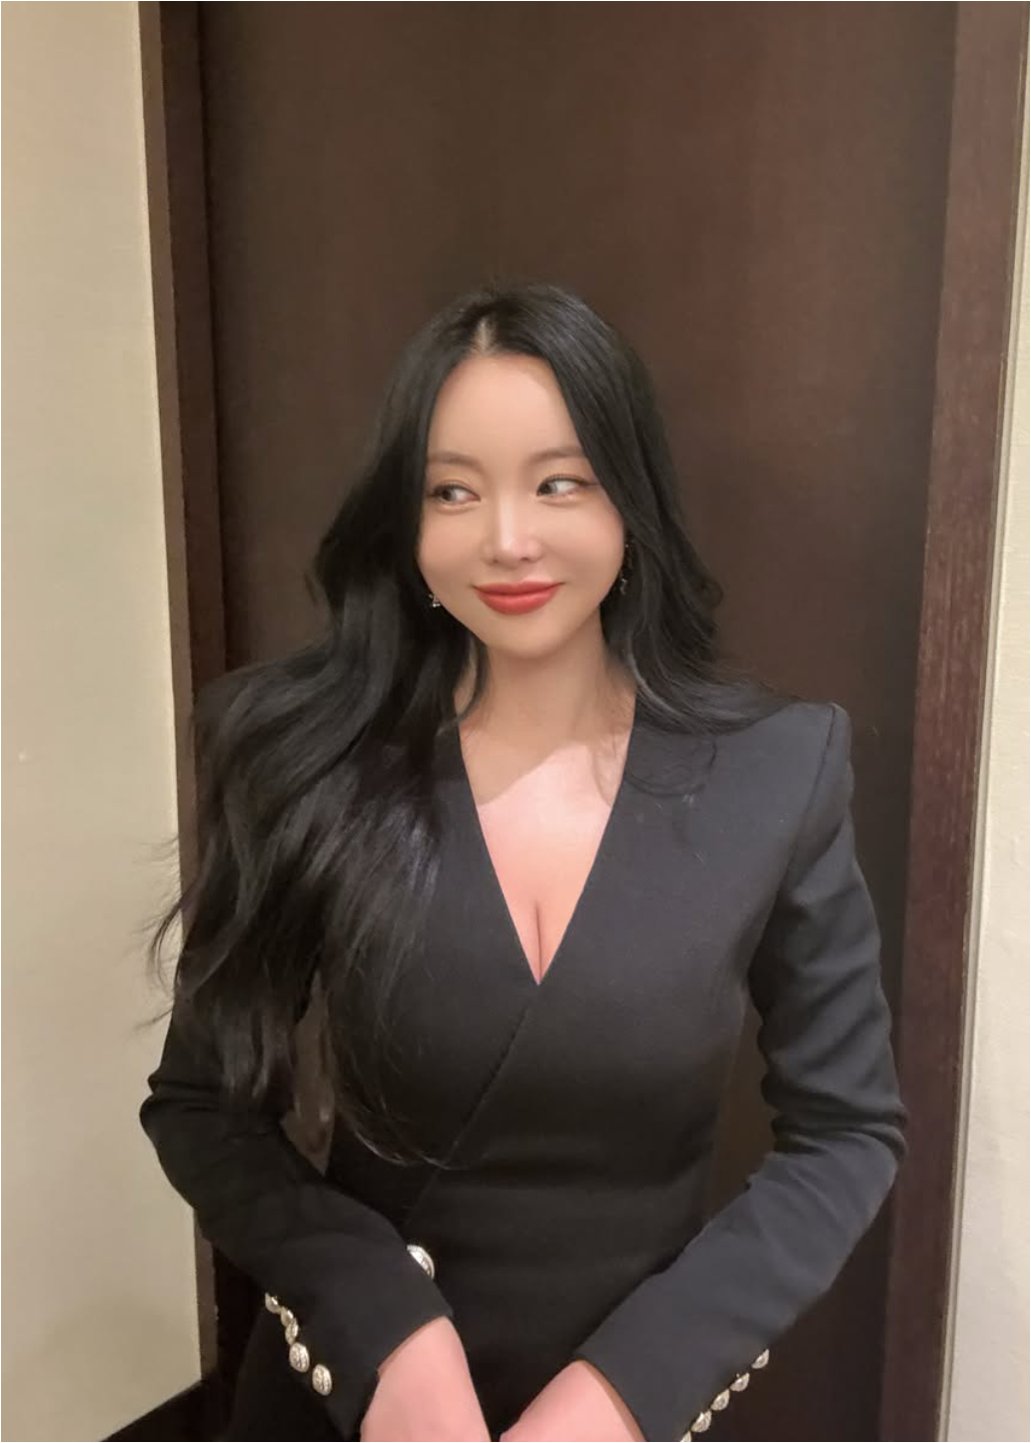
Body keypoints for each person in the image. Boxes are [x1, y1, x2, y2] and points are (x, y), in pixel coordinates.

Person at [139, 280, 908, 1443]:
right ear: (406, 523)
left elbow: (845, 1134)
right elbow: (200, 1106)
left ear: (628, 498)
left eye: (559, 482)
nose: (505, 539)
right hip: (355, 1402)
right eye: (451, 490)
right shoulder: (305, 761)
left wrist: (629, 1391)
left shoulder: (776, 770)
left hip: (626, 1409)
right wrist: (382, 1326)